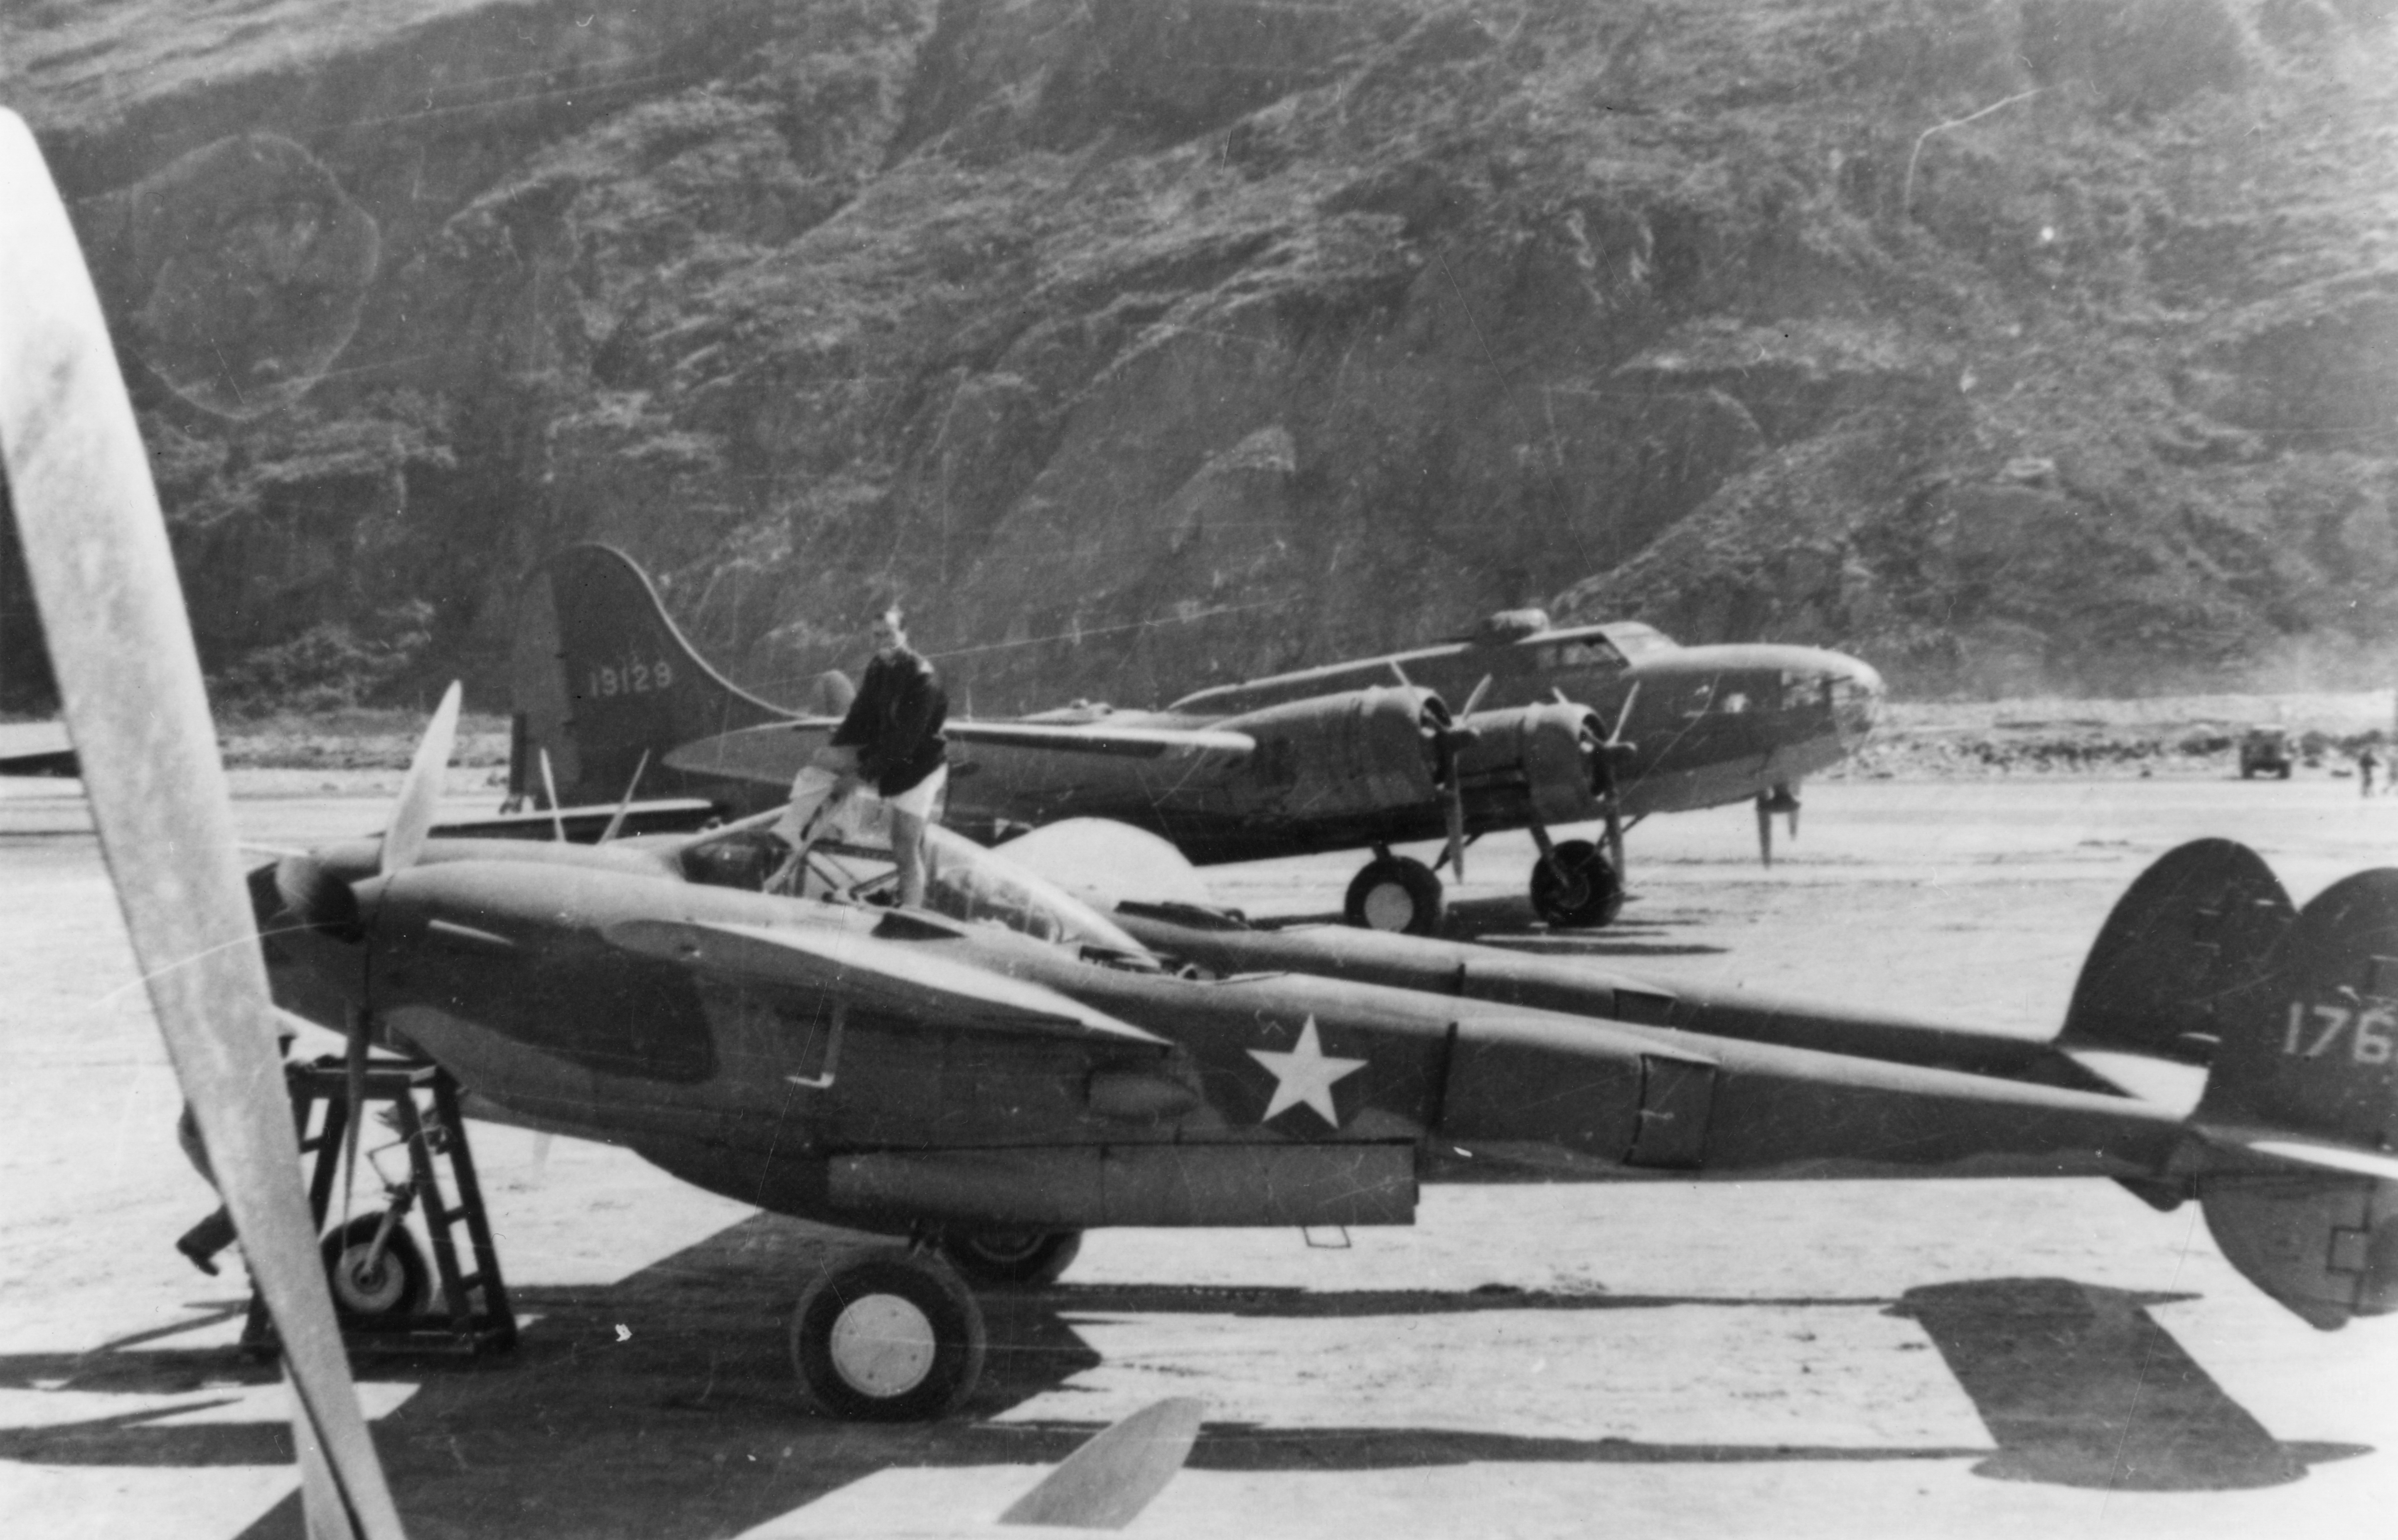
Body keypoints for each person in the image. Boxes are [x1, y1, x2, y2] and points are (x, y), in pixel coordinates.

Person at [784, 605, 948, 907]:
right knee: (824, 757)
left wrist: (858, 778)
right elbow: (858, 718)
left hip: (918, 769)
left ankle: (910, 914)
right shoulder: (878, 668)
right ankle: (800, 829)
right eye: (876, 636)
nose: (882, 641)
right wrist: (839, 750)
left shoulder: (923, 680)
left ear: (905, 634)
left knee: (904, 848)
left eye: (889, 634)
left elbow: (904, 745)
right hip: (886, 755)